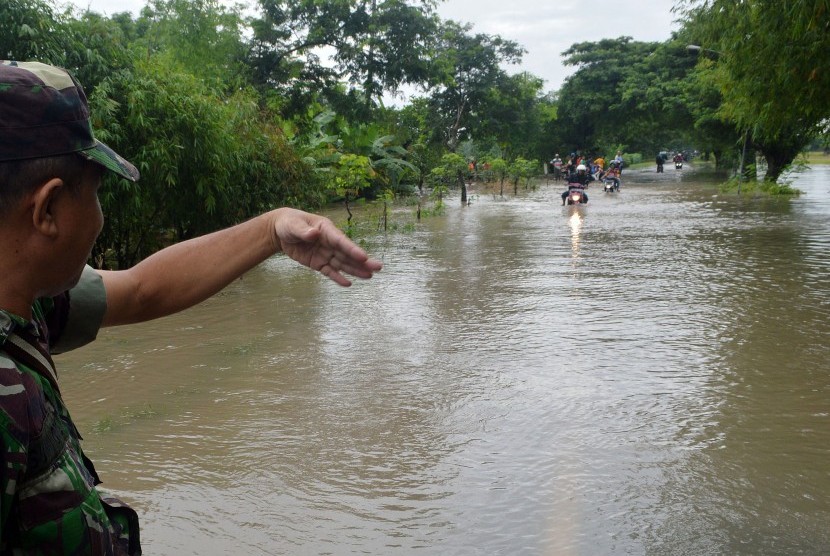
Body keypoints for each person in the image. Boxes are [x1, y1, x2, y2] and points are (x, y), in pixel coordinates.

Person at [0, 61, 382, 554]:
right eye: (95, 193)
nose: (99, 217)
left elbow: (142, 289)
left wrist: (273, 229)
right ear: (47, 209)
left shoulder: (25, 304)